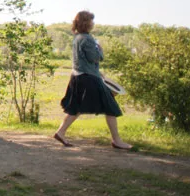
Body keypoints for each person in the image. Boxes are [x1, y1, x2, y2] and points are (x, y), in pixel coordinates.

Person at [54, 10, 132, 149]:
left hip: (77, 77)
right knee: (111, 107)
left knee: (76, 107)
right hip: (88, 79)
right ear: (86, 23)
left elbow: (83, 61)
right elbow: (94, 58)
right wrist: (100, 50)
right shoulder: (87, 39)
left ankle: (60, 132)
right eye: (91, 20)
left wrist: (98, 72)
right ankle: (117, 141)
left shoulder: (77, 38)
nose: (93, 23)